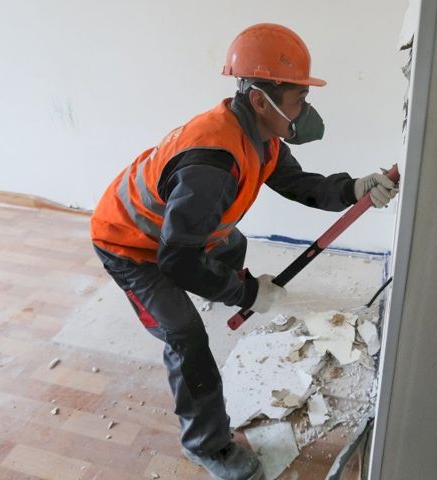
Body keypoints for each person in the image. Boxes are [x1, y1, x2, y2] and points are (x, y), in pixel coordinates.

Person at [90, 22, 398, 480]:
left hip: (175, 233)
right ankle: (207, 446)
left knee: (232, 243)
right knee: (185, 336)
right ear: (260, 98)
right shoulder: (213, 164)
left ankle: (214, 287)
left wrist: (354, 189)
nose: (305, 110)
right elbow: (176, 260)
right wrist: (248, 293)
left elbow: (300, 184)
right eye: (299, 98)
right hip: (130, 245)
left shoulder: (261, 136)